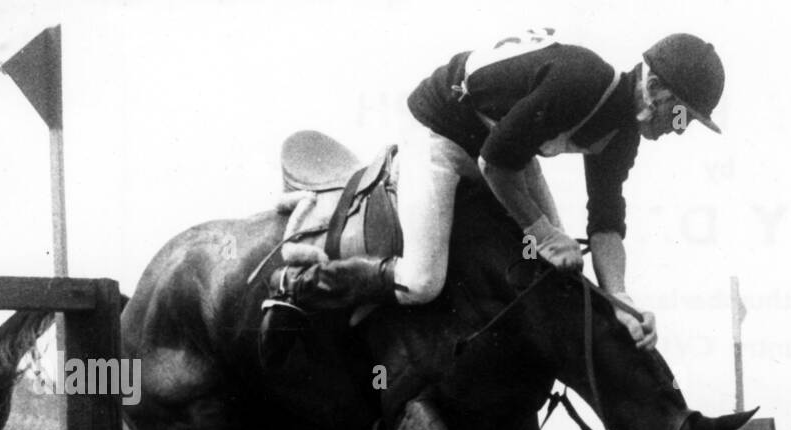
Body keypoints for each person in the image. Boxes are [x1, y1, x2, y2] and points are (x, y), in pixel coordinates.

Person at [259, 30, 724, 356]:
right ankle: (299, 284)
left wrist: (621, 301)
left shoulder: (621, 132)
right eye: (682, 115)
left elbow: (605, 221)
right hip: (441, 131)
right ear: (655, 87)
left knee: (560, 275)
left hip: (499, 145)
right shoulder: (581, 81)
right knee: (422, 281)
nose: (680, 129)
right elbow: (495, 164)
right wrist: (542, 233)